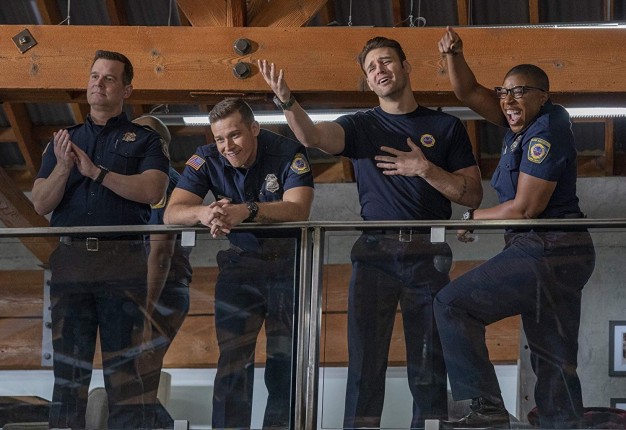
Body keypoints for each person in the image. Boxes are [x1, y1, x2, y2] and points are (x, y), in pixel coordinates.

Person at [259, 36, 483, 429]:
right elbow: (312, 137)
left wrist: (425, 169)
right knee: (365, 365)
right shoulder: (361, 125)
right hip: (374, 254)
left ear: (406, 66)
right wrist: (287, 101)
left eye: (386, 61)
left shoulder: (446, 126)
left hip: (428, 254)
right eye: (371, 67)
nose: (380, 70)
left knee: (429, 365)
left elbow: (473, 195)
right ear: (367, 80)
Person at [434, 27, 596, 429]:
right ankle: (563, 423)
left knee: (452, 305)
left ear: (543, 95)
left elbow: (525, 208)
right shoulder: (518, 126)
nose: (508, 100)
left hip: (548, 247)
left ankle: (486, 407)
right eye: (504, 92)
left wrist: (472, 217)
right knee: (553, 358)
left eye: (519, 91)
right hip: (556, 253)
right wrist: (453, 54)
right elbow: (467, 91)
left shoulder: (546, 131)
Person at [32, 50, 169, 430]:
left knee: (124, 375)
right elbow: (40, 204)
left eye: (109, 78)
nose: (99, 83)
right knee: (68, 375)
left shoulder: (146, 140)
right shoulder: (64, 140)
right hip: (72, 262)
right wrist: (63, 168)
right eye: (94, 76)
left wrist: (96, 173)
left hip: (122, 261)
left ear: (126, 89)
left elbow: (153, 190)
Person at [164, 97, 314, 429]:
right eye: (220, 138)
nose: (227, 146)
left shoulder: (288, 152)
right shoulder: (205, 158)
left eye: (235, 135)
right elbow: (172, 213)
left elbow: (298, 209)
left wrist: (246, 211)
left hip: (289, 268)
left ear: (254, 128)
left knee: (284, 364)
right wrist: (205, 213)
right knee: (233, 363)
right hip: (239, 266)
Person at [132, 115, 192, 429]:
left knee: (138, 380)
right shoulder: (148, 182)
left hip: (160, 289)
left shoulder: (165, 182)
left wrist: (145, 314)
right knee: (136, 382)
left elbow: (161, 253)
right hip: (154, 287)